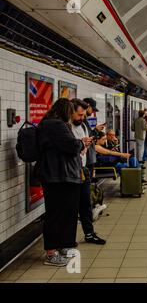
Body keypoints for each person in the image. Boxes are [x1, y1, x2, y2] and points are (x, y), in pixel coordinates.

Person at [37, 98, 88, 266]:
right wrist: (81, 143)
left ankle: (61, 246)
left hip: (60, 175)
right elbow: (71, 147)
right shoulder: (56, 125)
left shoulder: (49, 124)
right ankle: (51, 253)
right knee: (57, 214)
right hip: (58, 176)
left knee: (64, 213)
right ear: (67, 111)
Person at [71, 99, 106, 245]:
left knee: (86, 204)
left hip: (84, 168)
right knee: (72, 207)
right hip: (72, 171)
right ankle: (68, 240)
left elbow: (88, 141)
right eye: (79, 115)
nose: (82, 118)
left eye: (83, 115)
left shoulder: (83, 124)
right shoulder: (66, 127)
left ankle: (89, 233)